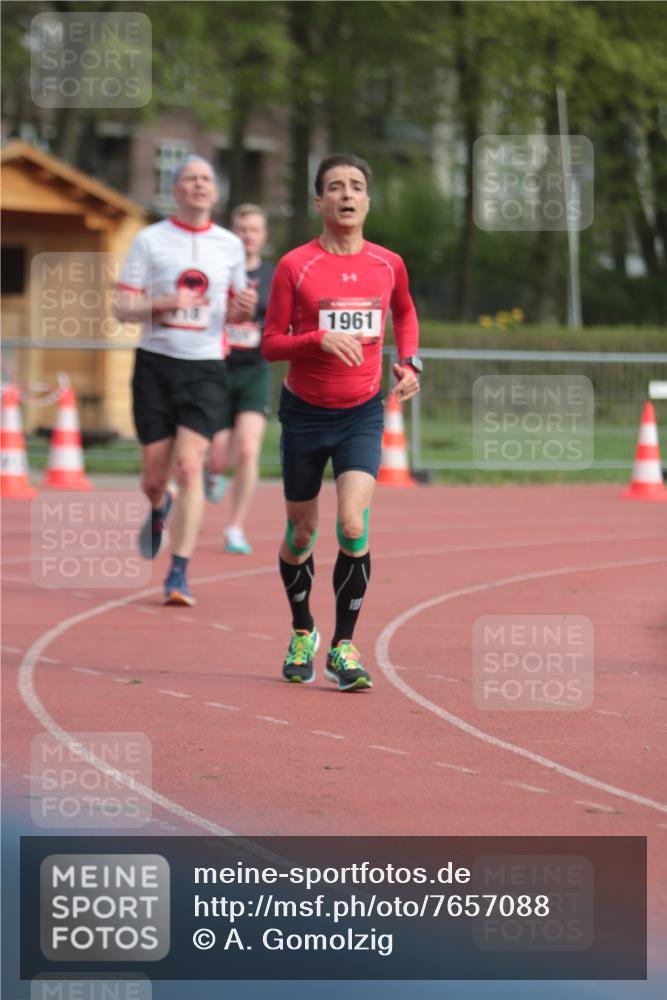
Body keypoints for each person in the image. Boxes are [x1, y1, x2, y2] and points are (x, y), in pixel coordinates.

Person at [262, 152, 421, 692]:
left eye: (356, 185)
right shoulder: (294, 266)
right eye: (335, 186)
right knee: (301, 532)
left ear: (368, 201)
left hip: (361, 412)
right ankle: (302, 630)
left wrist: (410, 361)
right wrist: (314, 339)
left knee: (353, 524)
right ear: (319, 201)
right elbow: (269, 344)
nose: (346, 194)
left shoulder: (387, 263)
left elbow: (403, 311)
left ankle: (344, 646)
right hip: (304, 414)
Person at [113, 156, 258, 606]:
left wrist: (244, 308)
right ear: (175, 190)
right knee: (155, 477)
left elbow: (234, 311)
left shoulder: (230, 245)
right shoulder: (149, 240)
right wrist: (161, 304)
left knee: (191, 466)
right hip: (155, 365)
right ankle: (158, 508)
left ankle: (178, 572)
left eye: (206, 179)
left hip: (205, 367)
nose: (199, 185)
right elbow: (121, 307)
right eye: (190, 178)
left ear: (215, 192)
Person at [205, 204, 275, 555]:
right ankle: (214, 471)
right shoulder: (217, 269)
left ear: (264, 236)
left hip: (255, 371)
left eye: (254, 229)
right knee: (218, 456)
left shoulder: (274, 275)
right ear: (231, 231)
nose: (248, 235)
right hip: (217, 368)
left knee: (248, 449)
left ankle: (235, 527)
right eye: (242, 228)